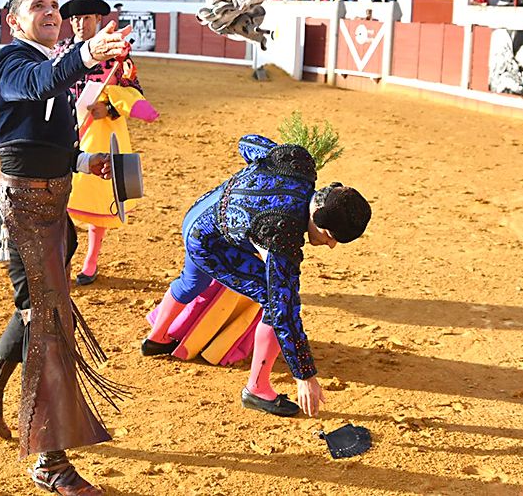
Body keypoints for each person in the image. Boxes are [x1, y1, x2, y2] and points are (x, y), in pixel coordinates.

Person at [0, 0, 133, 496]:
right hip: (22, 211)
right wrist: (86, 52)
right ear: (13, 22)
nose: (50, 11)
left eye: (53, 6)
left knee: (43, 311)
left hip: (53, 209)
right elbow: (37, 82)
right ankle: (49, 460)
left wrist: (87, 161)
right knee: (47, 320)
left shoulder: (51, 67)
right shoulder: (12, 63)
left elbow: (46, 142)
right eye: (37, 6)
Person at [142, 136, 371, 417]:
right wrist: (305, 375)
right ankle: (258, 389)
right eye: (332, 239)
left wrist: (253, 183)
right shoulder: (283, 234)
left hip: (199, 213)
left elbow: (247, 142)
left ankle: (156, 338)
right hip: (210, 243)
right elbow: (284, 311)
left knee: (193, 281)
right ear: (323, 228)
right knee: (271, 300)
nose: (331, 246)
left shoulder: (297, 162)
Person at [55, 0, 159, 285]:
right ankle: (61, 258)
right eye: (74, 19)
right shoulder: (61, 51)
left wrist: (109, 108)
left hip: (99, 131)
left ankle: (91, 258)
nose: (78, 24)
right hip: (67, 128)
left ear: (98, 20)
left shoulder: (116, 55)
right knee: (60, 193)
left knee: (96, 192)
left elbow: (133, 89)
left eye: (85, 18)